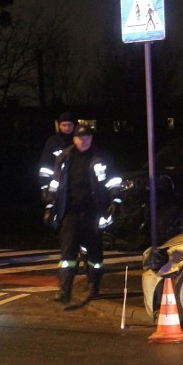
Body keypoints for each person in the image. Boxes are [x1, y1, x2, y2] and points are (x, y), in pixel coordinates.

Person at [46, 122, 120, 304]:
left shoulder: (101, 157)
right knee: (67, 253)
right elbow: (55, 183)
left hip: (93, 211)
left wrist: (115, 201)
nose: (83, 141)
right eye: (80, 138)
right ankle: (64, 290)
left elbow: (113, 181)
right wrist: (50, 205)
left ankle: (94, 286)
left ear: (91, 138)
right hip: (70, 211)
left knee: (94, 253)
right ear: (74, 139)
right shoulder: (64, 158)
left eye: (87, 137)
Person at [38, 111, 76, 200]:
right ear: (59, 126)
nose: (67, 128)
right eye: (64, 125)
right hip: (56, 184)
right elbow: (45, 165)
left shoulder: (79, 141)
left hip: (75, 184)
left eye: (70, 125)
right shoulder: (52, 142)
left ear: (74, 125)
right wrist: (44, 186)